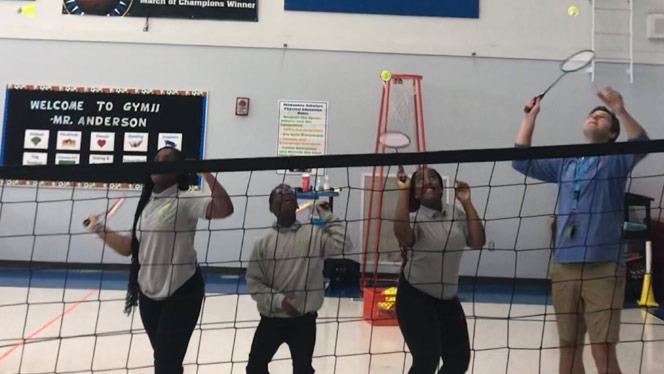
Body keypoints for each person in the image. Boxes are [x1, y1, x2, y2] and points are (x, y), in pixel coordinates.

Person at [513, 87, 649, 374]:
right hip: (564, 267)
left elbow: (641, 141)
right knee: (568, 347)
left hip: (604, 267)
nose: (594, 117)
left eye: (601, 117)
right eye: (592, 114)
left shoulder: (616, 159)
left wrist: (619, 109)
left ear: (611, 134)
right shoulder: (567, 162)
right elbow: (521, 161)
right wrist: (530, 118)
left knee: (602, 348)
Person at [84, 146, 234, 374]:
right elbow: (128, 248)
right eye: (155, 158)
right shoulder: (148, 204)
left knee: (166, 364)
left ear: (177, 170)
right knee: (166, 361)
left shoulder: (186, 199)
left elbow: (224, 209)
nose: (157, 162)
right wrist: (97, 227)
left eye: (165, 160)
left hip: (182, 292)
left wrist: (205, 173)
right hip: (149, 295)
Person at [245, 183, 352, 374]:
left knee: (303, 369)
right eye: (278, 192)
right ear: (271, 208)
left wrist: (327, 216)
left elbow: (344, 245)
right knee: (255, 367)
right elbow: (254, 283)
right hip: (271, 319)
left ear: (296, 204)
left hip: (304, 320)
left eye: (288, 191)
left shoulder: (313, 234)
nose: (284, 192)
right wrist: (279, 301)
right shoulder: (262, 243)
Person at [393, 167, 486, 374]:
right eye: (420, 181)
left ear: (441, 187)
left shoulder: (456, 213)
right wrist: (403, 191)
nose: (428, 182)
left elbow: (477, 241)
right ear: (415, 193)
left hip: (448, 299)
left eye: (432, 178)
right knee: (427, 360)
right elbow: (402, 234)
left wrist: (467, 202)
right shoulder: (414, 218)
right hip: (415, 299)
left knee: (459, 360)